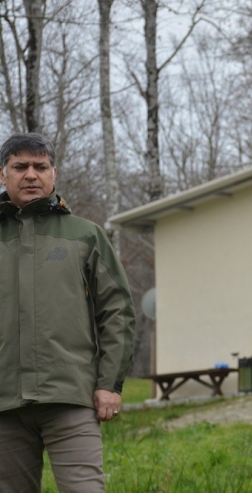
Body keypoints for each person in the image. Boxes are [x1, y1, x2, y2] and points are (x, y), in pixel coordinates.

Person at [0, 133, 135, 492]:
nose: (31, 174)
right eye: (20, 167)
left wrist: (109, 383)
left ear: (53, 173)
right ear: (3, 175)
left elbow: (117, 311)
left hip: (71, 397)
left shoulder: (85, 236)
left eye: (40, 167)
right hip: (3, 406)